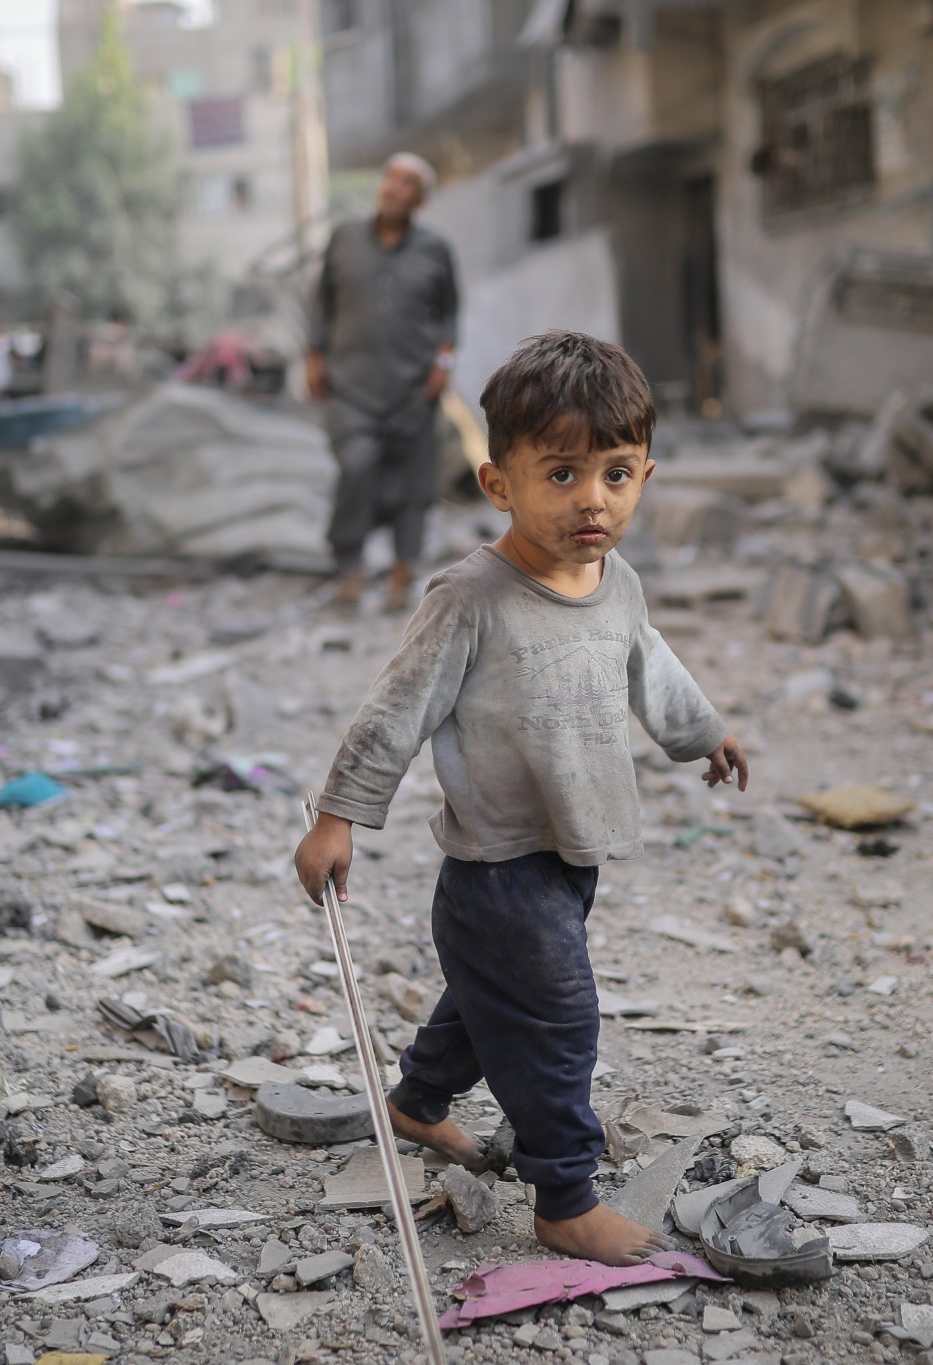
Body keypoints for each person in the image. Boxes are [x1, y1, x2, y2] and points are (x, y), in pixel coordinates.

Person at [292, 331, 751, 1264]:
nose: (594, 499)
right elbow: (395, 712)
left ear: (646, 474)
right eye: (563, 474)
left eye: (617, 475)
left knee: (489, 996)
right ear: (500, 482)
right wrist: (337, 816)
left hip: (567, 851)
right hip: (497, 866)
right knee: (558, 1016)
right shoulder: (472, 597)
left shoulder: (615, 582)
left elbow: (647, 663)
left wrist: (703, 732)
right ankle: (565, 1194)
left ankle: (417, 1104)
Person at [306, 152, 459, 611]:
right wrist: (314, 355)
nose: (395, 188)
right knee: (357, 465)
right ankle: (349, 566)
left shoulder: (436, 249)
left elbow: (449, 313)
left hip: (413, 385)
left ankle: (401, 574)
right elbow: (322, 302)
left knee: (412, 483)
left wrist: (443, 363)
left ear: (421, 198)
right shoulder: (345, 238)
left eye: (408, 182)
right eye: (391, 178)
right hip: (350, 384)